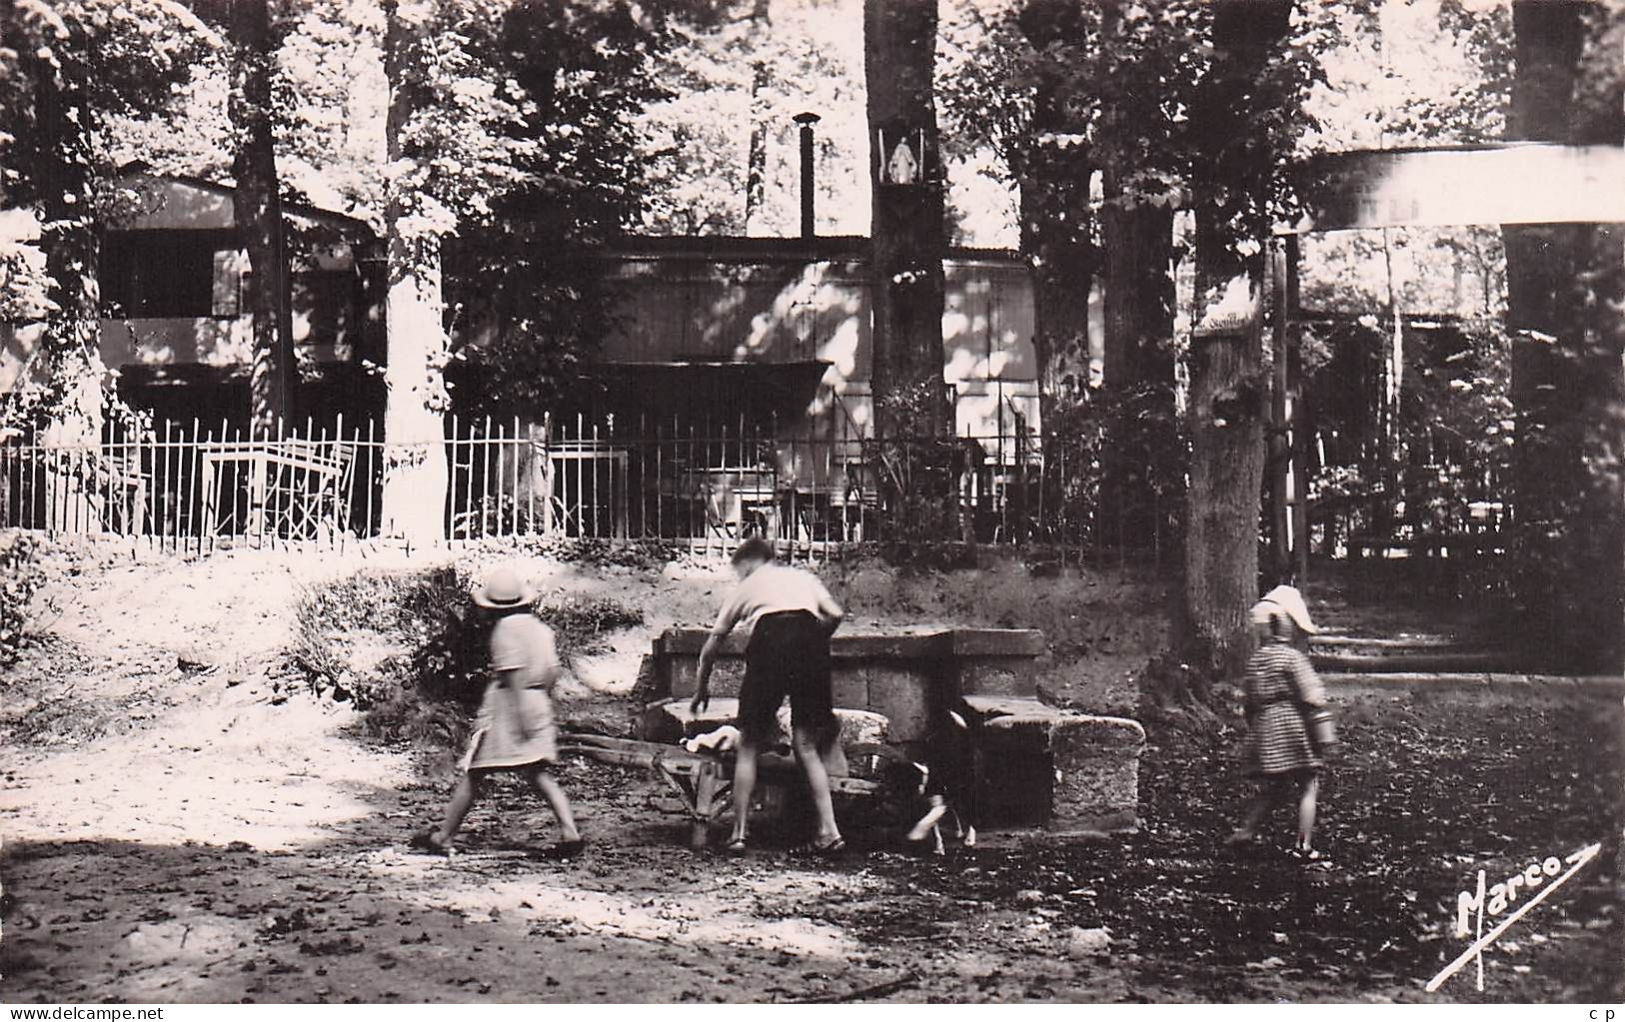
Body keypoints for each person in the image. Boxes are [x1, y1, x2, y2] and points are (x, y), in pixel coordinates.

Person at [410, 565, 583, 858]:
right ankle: (570, 832)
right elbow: (553, 671)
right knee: (538, 772)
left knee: (477, 771)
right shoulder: (540, 629)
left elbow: (513, 676)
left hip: (511, 708)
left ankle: (444, 837)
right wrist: (539, 702)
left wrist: (522, 715)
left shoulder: (505, 631)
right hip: (538, 700)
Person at [691, 537, 846, 856]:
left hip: (771, 638)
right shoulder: (803, 577)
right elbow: (835, 614)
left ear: (748, 562)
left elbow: (712, 645)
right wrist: (814, 639)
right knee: (805, 744)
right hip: (810, 639)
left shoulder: (747, 587)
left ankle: (738, 834)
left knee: (748, 743)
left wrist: (701, 688)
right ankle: (829, 832)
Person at [1226, 584, 1337, 861]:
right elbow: (1312, 697)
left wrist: (1257, 731)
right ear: (1288, 626)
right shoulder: (1293, 659)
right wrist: (1325, 735)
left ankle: (1246, 831)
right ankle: (1303, 845)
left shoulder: (1256, 661)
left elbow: (1249, 703)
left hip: (1265, 728)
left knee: (1274, 787)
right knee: (1309, 784)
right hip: (1291, 728)